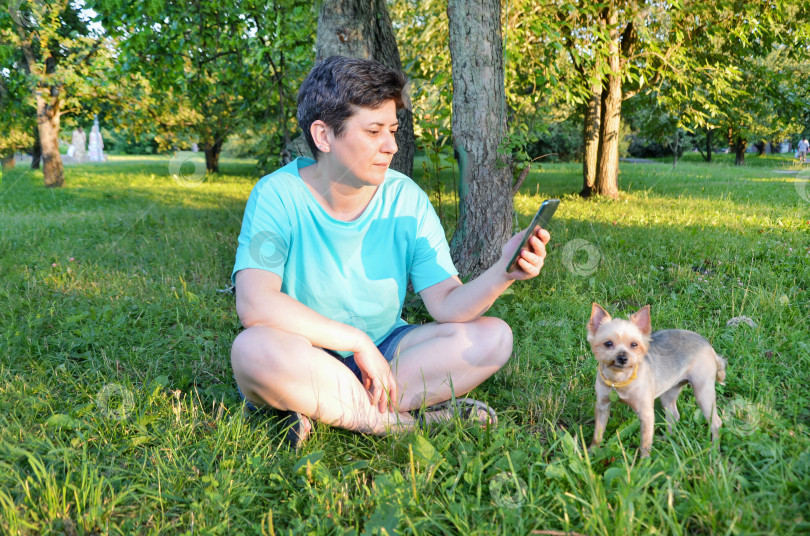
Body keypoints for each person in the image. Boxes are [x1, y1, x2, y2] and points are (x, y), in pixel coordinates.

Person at [229, 56, 550, 447]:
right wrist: (355, 341)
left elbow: (447, 304)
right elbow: (254, 303)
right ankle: (409, 423)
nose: (391, 146)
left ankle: (314, 404)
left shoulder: (406, 199)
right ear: (324, 135)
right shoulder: (276, 195)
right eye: (374, 131)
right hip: (301, 349)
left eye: (393, 130)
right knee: (252, 350)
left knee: (494, 337)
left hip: (389, 350)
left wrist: (503, 271)